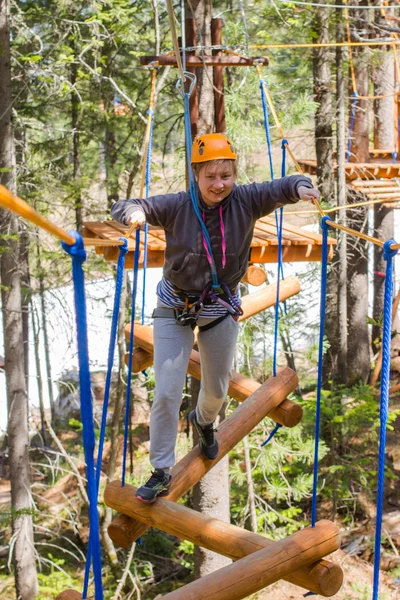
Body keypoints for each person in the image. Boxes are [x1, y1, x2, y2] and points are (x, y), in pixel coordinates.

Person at [111, 133, 320, 503]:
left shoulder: (247, 200)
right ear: (196, 175)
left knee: (217, 391)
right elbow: (126, 204)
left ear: (234, 174)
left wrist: (303, 185)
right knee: (166, 391)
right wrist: (134, 213)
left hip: (220, 306)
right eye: (211, 176)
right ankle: (161, 469)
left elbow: (285, 185)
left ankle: (204, 422)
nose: (219, 184)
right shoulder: (177, 206)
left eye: (226, 175)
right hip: (175, 307)